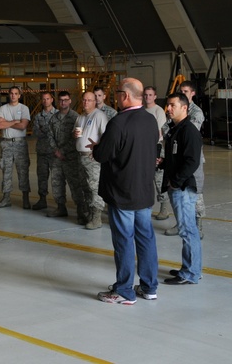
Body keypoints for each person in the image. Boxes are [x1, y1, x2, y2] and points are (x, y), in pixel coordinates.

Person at [93, 78, 160, 305]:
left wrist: (97, 147)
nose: (116, 96)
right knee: (146, 239)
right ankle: (149, 287)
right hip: (143, 190)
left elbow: (103, 155)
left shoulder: (118, 123)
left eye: (118, 92)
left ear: (126, 96)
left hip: (122, 192)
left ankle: (124, 291)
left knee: (124, 241)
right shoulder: (150, 120)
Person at [161, 92, 202, 286]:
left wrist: (176, 181)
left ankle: (191, 273)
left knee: (188, 231)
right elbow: (176, 158)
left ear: (184, 108)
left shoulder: (189, 130)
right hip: (177, 186)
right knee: (186, 230)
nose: (168, 109)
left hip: (183, 189)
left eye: (172, 105)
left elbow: (192, 161)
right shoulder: (174, 129)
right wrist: (162, 163)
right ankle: (190, 267)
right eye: (167, 105)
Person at [165, 80, 207, 238]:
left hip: (192, 158)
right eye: (181, 91)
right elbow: (166, 128)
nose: (183, 93)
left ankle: (197, 225)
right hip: (177, 157)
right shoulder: (175, 110)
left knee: (195, 194)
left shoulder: (195, 112)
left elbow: (188, 132)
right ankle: (181, 222)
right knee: (178, 199)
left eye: (186, 91)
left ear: (193, 93)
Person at [75, 92, 108, 230]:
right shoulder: (80, 117)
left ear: (95, 101)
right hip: (81, 157)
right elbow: (76, 133)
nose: (85, 103)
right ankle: (90, 213)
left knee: (94, 187)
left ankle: (97, 217)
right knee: (85, 187)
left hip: (91, 157)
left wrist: (98, 151)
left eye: (89, 100)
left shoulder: (99, 116)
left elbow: (106, 137)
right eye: (83, 100)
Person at [0, 86, 31, 208]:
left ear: (19, 95)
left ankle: (25, 198)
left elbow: (23, 126)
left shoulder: (24, 108)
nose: (13, 95)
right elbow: (0, 125)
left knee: (23, 171)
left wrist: (7, 123)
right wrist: (15, 121)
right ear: (8, 94)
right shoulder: (2, 108)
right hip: (6, 143)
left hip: (20, 143)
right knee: (6, 171)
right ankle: (6, 198)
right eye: (11, 93)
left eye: (16, 93)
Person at [46, 91, 78, 219]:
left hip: (71, 156)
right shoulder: (54, 118)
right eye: (61, 100)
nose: (63, 102)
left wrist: (63, 151)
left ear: (70, 101)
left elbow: (76, 138)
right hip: (57, 157)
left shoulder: (76, 117)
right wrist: (56, 151)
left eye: (66, 100)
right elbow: (50, 136)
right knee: (57, 183)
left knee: (75, 184)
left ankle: (81, 211)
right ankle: (61, 208)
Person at [143, 86, 171, 221]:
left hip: (156, 147)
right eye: (145, 95)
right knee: (144, 179)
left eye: (150, 95)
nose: (147, 97)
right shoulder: (142, 110)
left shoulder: (158, 111)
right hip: (143, 148)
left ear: (154, 96)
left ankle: (164, 207)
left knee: (158, 179)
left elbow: (161, 131)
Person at [30, 91, 57, 211]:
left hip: (54, 152)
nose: (46, 101)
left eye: (48, 98)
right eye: (43, 99)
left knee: (57, 179)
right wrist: (49, 130)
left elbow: (58, 132)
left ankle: (60, 203)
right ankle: (42, 200)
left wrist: (44, 129)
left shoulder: (58, 115)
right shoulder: (38, 116)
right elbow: (36, 132)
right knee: (42, 177)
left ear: (52, 100)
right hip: (42, 152)